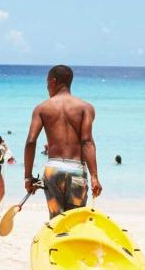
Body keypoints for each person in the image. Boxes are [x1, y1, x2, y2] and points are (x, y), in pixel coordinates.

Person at [24, 65, 101, 218]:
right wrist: (94, 176)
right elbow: (87, 141)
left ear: (53, 81)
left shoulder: (42, 108)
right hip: (77, 170)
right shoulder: (86, 108)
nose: (46, 87)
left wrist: (28, 177)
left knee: (56, 221)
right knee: (75, 220)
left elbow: (31, 141)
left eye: (47, 82)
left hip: (53, 170)